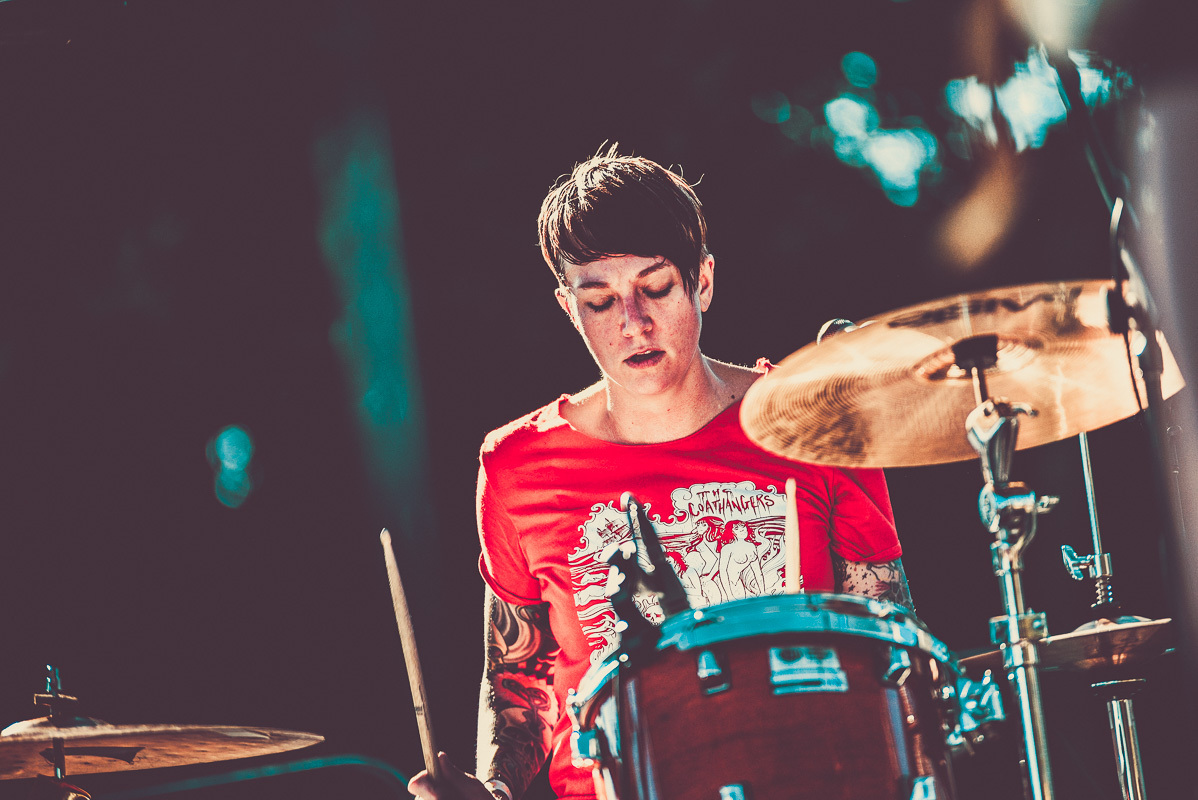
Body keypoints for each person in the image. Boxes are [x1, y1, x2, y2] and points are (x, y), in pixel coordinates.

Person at [408, 147, 913, 800]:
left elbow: (891, 650)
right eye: (599, 300)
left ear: (702, 280)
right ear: (567, 306)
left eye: (655, 288)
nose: (632, 322)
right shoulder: (516, 466)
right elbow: (520, 679)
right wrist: (497, 792)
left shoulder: (815, 423)